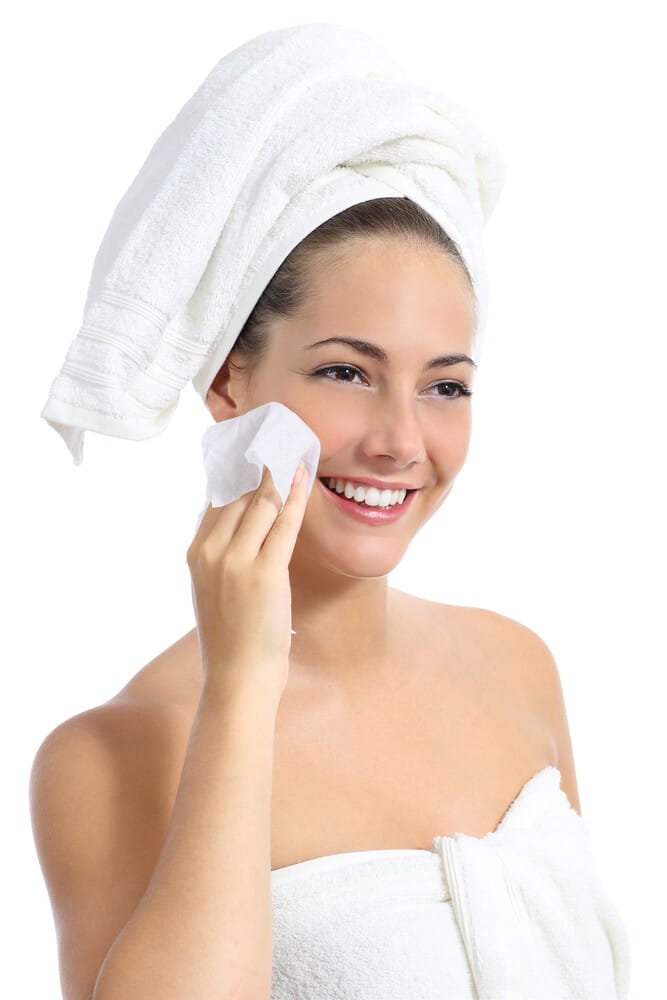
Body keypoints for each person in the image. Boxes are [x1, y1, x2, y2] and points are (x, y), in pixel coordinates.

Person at [29, 25, 630, 1000]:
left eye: (444, 385)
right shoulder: (111, 756)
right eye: (347, 371)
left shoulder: (519, 663)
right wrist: (241, 685)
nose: (400, 440)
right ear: (230, 381)